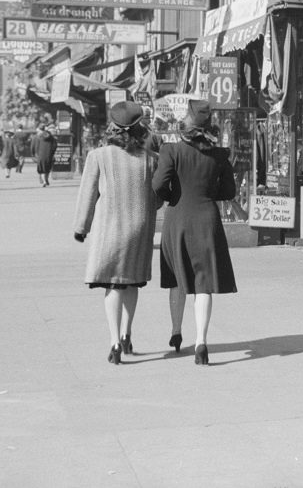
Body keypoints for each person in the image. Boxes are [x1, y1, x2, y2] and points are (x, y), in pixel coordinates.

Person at [73, 102, 160, 365]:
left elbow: (88, 195)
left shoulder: (98, 156)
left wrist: (81, 228)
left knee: (113, 284)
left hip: (110, 230)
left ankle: (114, 342)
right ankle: (126, 333)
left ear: (112, 127)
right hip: (139, 229)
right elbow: (157, 198)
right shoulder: (150, 159)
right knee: (132, 281)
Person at [152, 99, 236, 365]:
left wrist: (173, 197)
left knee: (176, 278)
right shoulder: (219, 155)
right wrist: (208, 195)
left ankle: (176, 331)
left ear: (186, 123)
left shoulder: (171, 151)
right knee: (204, 283)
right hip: (207, 221)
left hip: (177, 219)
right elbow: (229, 191)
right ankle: (201, 341)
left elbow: (158, 185)